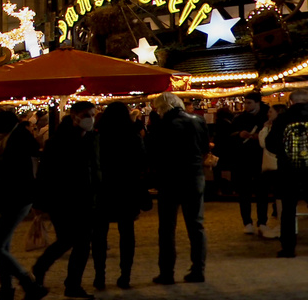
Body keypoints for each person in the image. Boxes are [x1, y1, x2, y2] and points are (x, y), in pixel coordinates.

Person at [30, 101, 100, 299]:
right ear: (74, 115)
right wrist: (40, 203)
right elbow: (45, 174)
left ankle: (71, 283)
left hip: (85, 198)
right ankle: (44, 268)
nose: (90, 118)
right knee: (70, 239)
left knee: (81, 243)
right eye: (87, 114)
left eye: (92, 114)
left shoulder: (91, 138)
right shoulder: (58, 141)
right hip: (62, 199)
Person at [0, 110, 47, 300]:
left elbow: (19, 175)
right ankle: (6, 288)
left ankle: (29, 283)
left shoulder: (15, 140)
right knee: (2, 247)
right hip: (3, 200)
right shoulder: (2, 141)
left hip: (14, 200)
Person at [146, 92, 209, 283]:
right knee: (196, 225)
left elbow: (153, 153)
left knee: (167, 228)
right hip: (195, 175)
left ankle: (167, 272)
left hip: (170, 178)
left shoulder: (161, 126)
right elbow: (205, 147)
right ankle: (198, 269)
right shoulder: (198, 121)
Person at [93, 101, 147, 289]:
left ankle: (100, 276)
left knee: (99, 236)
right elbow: (141, 164)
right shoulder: (133, 137)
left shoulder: (98, 138)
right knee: (127, 234)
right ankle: (125, 275)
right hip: (127, 189)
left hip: (103, 190)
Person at [264, 87, 308, 258]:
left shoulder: (283, 119)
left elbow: (271, 144)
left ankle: (288, 248)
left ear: (291, 102)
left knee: (288, 211)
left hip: (289, 172)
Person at [230, 92, 268, 234]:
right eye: (245, 103)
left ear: (257, 103)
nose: (246, 106)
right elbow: (229, 135)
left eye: (249, 103)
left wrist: (260, 137)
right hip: (243, 159)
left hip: (260, 158)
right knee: (244, 192)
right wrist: (239, 135)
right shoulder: (239, 118)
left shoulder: (265, 116)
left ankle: (262, 221)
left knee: (261, 192)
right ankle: (247, 222)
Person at [256, 104, 283, 240]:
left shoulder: (273, 128)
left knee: (268, 194)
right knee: (277, 195)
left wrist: (265, 128)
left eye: (271, 112)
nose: (268, 114)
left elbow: (263, 143)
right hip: (274, 165)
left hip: (272, 166)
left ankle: (265, 222)